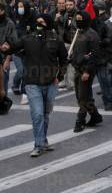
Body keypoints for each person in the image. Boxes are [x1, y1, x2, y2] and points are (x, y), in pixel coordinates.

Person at [1, 14, 67, 157]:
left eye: (42, 22)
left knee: (45, 113)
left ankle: (43, 140)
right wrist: (5, 48)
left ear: (48, 24)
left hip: (50, 83)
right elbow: (12, 48)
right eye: (37, 21)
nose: (39, 24)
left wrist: (59, 77)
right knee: (37, 114)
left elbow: (63, 60)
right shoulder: (28, 38)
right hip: (32, 83)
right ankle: (38, 145)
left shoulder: (56, 40)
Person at [70, 11, 103, 132]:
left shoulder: (92, 35)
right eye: (76, 18)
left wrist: (87, 71)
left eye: (80, 19)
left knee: (83, 97)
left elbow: (94, 55)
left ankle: (80, 121)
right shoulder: (77, 32)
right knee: (81, 96)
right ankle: (95, 116)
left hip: (86, 70)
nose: (78, 21)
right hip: (77, 68)